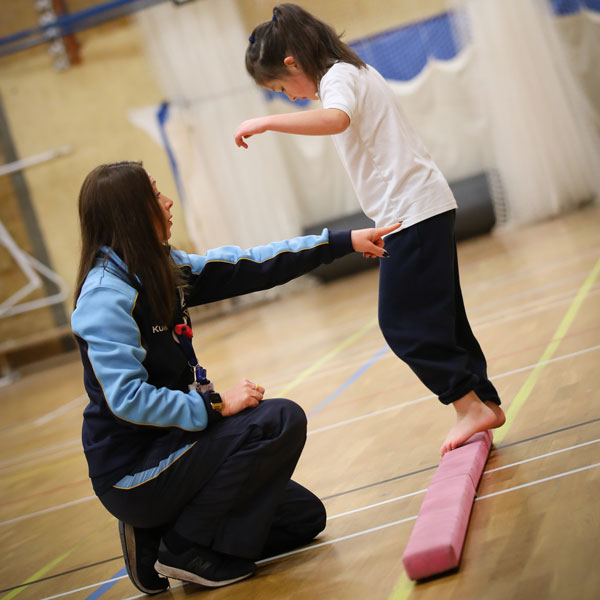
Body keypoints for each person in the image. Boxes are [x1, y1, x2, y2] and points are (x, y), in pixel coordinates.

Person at [71, 160, 399, 594]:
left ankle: (157, 534)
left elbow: (249, 264)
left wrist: (340, 242)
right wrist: (216, 405)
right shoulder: (104, 298)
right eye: (155, 195)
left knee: (303, 519)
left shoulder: (161, 268)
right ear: (130, 214)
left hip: (178, 444)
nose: (168, 202)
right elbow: (126, 401)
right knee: (277, 421)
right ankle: (181, 548)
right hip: (134, 471)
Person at [234, 3, 506, 457]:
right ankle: (483, 399)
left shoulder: (339, 77)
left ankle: (468, 404)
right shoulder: (353, 71)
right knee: (443, 315)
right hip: (418, 208)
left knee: (402, 324)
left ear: (292, 63)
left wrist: (266, 122)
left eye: (282, 87)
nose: (290, 98)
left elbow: (334, 119)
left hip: (414, 211)